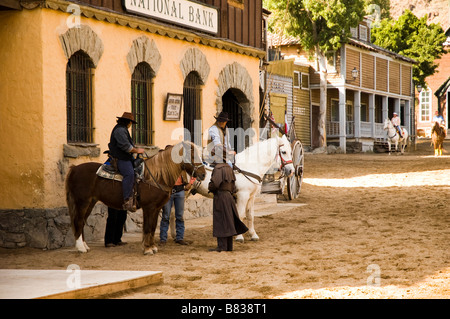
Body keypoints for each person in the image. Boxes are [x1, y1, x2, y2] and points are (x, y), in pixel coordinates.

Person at [207, 156, 248, 252]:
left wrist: (210, 187)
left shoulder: (218, 169)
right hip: (229, 197)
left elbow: (215, 184)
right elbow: (233, 186)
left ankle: (221, 246)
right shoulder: (229, 168)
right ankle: (229, 246)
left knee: (221, 220)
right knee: (229, 221)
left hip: (221, 196)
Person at [108, 112, 145, 212]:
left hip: (125, 158)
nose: (131, 125)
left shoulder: (122, 129)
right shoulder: (120, 130)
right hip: (121, 158)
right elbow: (126, 147)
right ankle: (127, 199)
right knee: (129, 174)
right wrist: (137, 150)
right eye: (131, 123)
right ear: (128, 122)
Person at [159, 175, 195, 246]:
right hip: (168, 190)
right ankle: (163, 239)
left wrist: (191, 183)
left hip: (180, 190)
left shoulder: (182, 164)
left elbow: (194, 169)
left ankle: (180, 238)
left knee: (180, 216)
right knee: (166, 216)